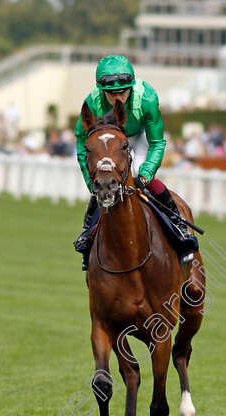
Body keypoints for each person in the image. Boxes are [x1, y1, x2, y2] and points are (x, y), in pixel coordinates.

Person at [72, 55, 192, 262]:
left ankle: (178, 222)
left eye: (123, 91)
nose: (118, 98)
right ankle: (86, 230)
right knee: (104, 177)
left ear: (131, 86)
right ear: (102, 91)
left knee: (135, 170)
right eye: (111, 94)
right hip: (112, 136)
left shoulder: (147, 99)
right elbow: (83, 146)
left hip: (142, 135)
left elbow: (157, 143)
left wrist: (145, 176)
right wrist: (91, 181)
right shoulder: (91, 103)